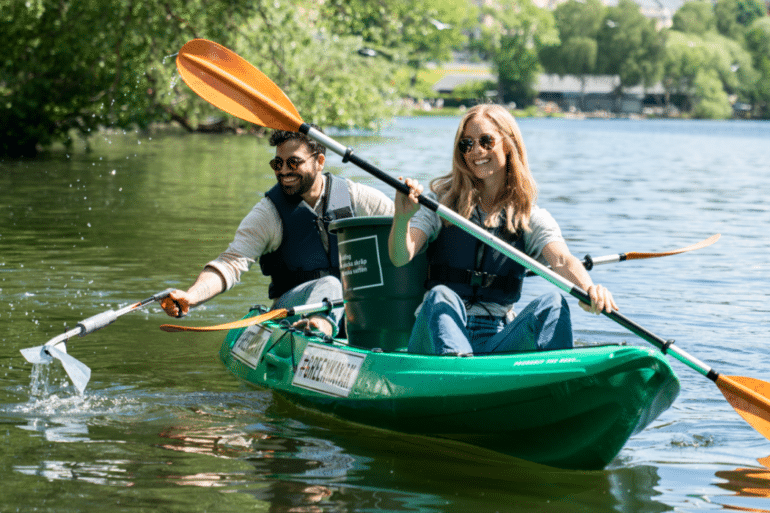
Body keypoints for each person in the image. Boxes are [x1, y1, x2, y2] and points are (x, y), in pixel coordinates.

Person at [388, 104, 617, 355]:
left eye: (486, 141)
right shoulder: (439, 204)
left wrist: (589, 289)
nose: (476, 151)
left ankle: (559, 379)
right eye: (467, 144)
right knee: (441, 295)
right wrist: (402, 218)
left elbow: (562, 260)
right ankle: (460, 375)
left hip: (495, 337)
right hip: (438, 331)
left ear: (508, 144)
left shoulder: (528, 216)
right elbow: (400, 256)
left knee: (553, 304)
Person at [161, 126, 394, 336]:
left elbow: (404, 235)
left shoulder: (358, 198)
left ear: (319, 161)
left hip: (353, 308)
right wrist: (192, 296)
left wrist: (408, 208)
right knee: (330, 285)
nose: (283, 171)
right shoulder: (268, 214)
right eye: (277, 164)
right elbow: (231, 263)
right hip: (291, 311)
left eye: (293, 162)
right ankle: (316, 329)